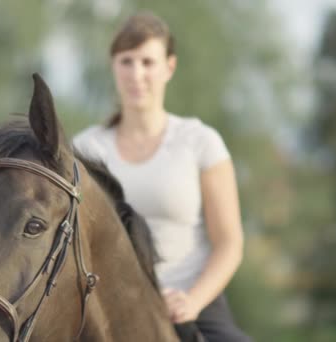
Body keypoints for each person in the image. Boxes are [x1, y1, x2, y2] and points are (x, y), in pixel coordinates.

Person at [73, 11, 251, 342]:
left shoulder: (201, 142)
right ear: (113, 66)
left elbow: (230, 243)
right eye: (126, 61)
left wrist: (192, 301)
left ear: (169, 67)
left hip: (193, 304)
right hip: (108, 309)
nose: (136, 73)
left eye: (147, 62)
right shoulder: (85, 148)